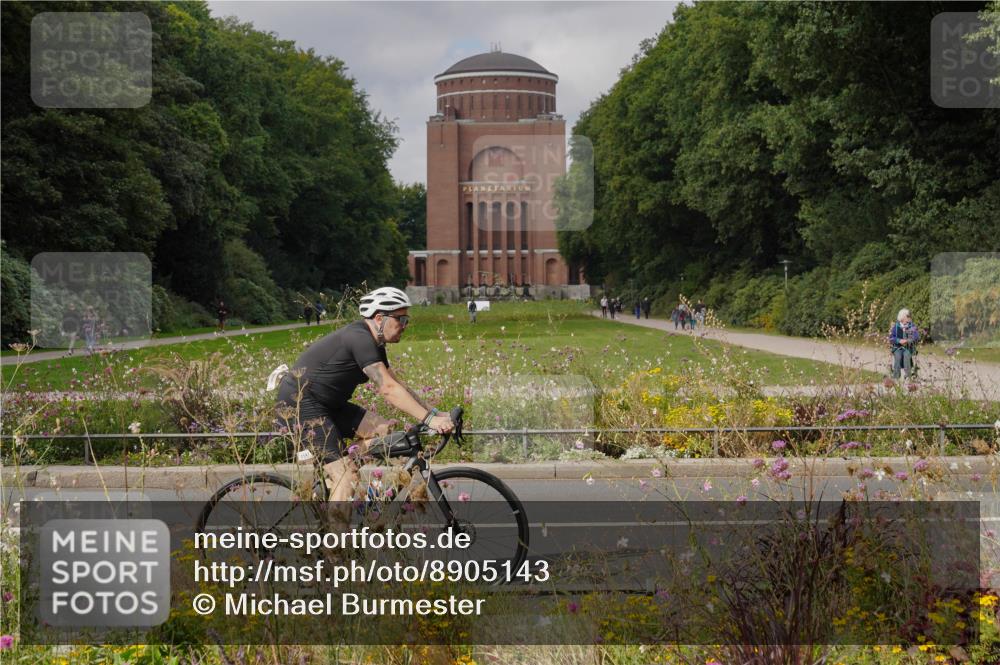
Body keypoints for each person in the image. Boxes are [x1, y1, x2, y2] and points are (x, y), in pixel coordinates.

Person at [275, 287, 455, 506]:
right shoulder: (359, 337)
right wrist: (430, 420)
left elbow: (397, 384)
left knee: (383, 430)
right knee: (346, 479)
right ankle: (337, 534)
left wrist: (435, 413)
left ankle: (337, 480)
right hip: (302, 404)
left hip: (329, 405)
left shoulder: (373, 343)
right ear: (379, 318)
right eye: (401, 319)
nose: (405, 326)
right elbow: (387, 388)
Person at [889, 308, 920, 380]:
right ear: (902, 317)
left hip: (908, 347)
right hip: (897, 348)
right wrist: (899, 340)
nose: (909, 317)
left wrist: (908, 340)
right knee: (898, 356)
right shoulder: (896, 327)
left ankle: (908, 376)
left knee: (906, 356)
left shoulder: (912, 326)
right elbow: (891, 338)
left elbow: (916, 336)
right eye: (908, 316)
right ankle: (896, 377)